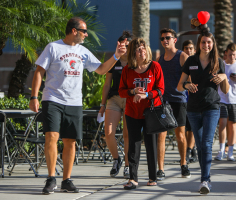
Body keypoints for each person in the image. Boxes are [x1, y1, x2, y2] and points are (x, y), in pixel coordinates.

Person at [29, 17, 127, 195]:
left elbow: (101, 70)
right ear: (74, 31)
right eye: (84, 31)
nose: (86, 34)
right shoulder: (53, 47)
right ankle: (51, 178)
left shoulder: (83, 51)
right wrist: (34, 96)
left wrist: (117, 56)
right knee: (51, 136)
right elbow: (39, 71)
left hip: (74, 102)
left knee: (70, 141)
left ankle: (66, 180)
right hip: (52, 99)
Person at [177, 32, 229, 194]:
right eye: (204, 42)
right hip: (192, 109)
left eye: (209, 42)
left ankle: (204, 180)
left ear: (213, 44)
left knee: (206, 144)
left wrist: (224, 77)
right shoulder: (191, 61)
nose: (206, 45)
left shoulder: (218, 62)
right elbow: (179, 85)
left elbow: (225, 91)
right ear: (199, 44)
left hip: (211, 108)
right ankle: (205, 177)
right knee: (199, 146)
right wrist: (187, 86)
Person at [118, 38, 164, 189]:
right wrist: (133, 91)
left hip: (151, 111)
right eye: (138, 49)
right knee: (134, 144)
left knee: (151, 144)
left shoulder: (155, 66)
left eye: (143, 48)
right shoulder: (127, 70)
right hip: (132, 112)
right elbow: (121, 91)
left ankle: (152, 177)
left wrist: (147, 95)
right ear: (133, 53)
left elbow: (161, 90)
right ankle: (133, 178)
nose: (142, 51)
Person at [156, 28, 190, 180]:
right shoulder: (160, 59)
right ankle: (161, 169)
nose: (165, 40)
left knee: (180, 135)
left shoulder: (182, 56)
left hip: (179, 100)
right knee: (161, 135)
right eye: (162, 38)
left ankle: (183, 164)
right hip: (163, 102)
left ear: (175, 40)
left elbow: (190, 77)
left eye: (168, 38)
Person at [99, 31, 132, 178]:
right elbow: (107, 84)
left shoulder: (135, 62)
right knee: (108, 133)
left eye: (126, 44)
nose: (124, 47)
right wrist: (102, 104)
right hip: (114, 98)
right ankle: (116, 159)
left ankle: (127, 165)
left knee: (127, 134)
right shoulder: (114, 61)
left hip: (130, 99)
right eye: (121, 44)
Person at [215, 43, 236, 162]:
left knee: (233, 125)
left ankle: (231, 151)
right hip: (222, 98)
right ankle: (221, 150)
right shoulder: (221, 64)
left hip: (235, 99)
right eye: (230, 55)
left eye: (234, 55)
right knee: (222, 123)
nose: (232, 57)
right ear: (226, 53)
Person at [182, 40, 197, 162]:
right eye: (186, 48)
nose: (189, 50)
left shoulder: (198, 63)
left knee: (192, 128)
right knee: (185, 127)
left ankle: (189, 150)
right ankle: (189, 149)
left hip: (195, 99)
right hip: (182, 99)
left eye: (191, 48)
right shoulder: (181, 63)